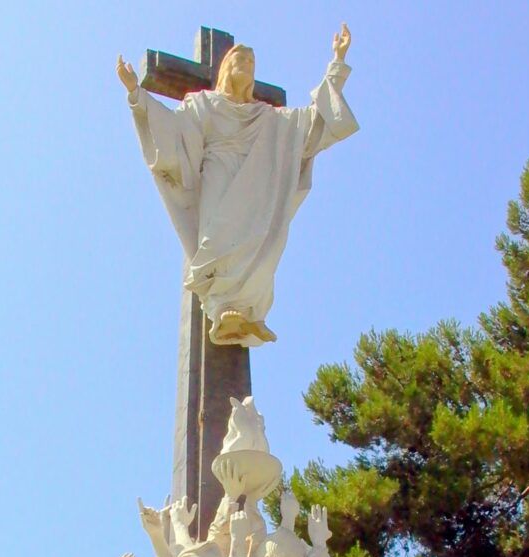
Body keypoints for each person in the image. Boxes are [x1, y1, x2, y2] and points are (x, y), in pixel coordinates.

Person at [117, 26, 358, 347]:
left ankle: (245, 313)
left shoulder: (271, 119)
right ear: (226, 69)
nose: (246, 64)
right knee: (217, 245)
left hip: (258, 192)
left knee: (261, 247)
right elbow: (172, 134)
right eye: (240, 59)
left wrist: (337, 65)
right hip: (219, 180)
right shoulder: (204, 104)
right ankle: (222, 310)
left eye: (251, 62)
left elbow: (316, 123)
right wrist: (137, 95)